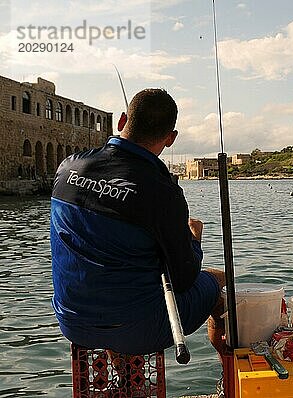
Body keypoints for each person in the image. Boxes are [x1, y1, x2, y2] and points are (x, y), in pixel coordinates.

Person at [51, 88, 226, 356]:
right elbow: (184, 280)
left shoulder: (67, 168)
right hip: (140, 329)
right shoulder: (162, 192)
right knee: (217, 281)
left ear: (122, 121)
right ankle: (226, 367)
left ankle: (119, 375)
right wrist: (194, 241)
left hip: (71, 323)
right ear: (170, 139)